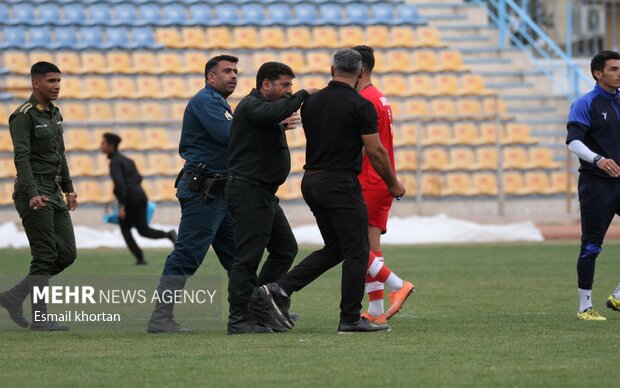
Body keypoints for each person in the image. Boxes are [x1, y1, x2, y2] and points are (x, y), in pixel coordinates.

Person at [258, 49, 406, 334]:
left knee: (337, 248)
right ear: (361, 73)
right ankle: (350, 318)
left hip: (312, 181)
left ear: (331, 70)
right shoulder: (360, 105)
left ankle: (279, 289)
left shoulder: (312, 102)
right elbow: (374, 150)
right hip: (340, 183)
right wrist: (393, 183)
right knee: (357, 251)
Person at [147, 55, 239, 333]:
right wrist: (270, 123)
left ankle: (253, 311)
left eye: (236, 71)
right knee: (188, 253)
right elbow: (230, 135)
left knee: (238, 257)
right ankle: (161, 317)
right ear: (211, 77)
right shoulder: (206, 101)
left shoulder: (219, 103)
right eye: (227, 71)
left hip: (219, 191)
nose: (234, 75)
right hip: (205, 192)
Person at [225, 62, 317, 334]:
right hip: (248, 190)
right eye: (284, 85)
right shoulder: (250, 105)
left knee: (285, 248)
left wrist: (280, 123)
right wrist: (303, 94)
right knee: (247, 257)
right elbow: (272, 111)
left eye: (291, 85)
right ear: (266, 84)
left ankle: (260, 305)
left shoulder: (265, 112)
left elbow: (271, 117)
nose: (289, 91)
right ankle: (238, 320)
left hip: (263, 192)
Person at [0, 62, 77, 331]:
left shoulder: (55, 114)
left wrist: (69, 189)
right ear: (36, 83)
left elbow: (61, 154)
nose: (57, 86)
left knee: (67, 254)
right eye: (51, 81)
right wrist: (32, 193)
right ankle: (40, 318)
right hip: (33, 191)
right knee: (44, 255)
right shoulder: (22, 116)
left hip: (54, 192)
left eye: (59, 81)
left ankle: (14, 296)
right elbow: (21, 157)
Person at [352, 45, 415, 325]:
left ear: (359, 70)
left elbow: (366, 147)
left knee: (349, 243)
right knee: (370, 246)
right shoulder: (379, 97)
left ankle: (397, 284)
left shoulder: (365, 100)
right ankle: (376, 311)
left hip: (369, 179)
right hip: (382, 180)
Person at [567, 50, 620, 321]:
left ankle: (618, 297)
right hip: (596, 184)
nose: (619, 73)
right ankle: (584, 307)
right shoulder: (585, 103)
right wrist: (597, 159)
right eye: (613, 69)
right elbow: (573, 141)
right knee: (591, 246)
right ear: (598, 73)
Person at [99, 132, 177, 265]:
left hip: (129, 199)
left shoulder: (114, 162)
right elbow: (139, 178)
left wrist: (122, 205)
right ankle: (169, 234)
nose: (101, 146)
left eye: (103, 143)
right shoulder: (128, 160)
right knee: (143, 230)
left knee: (125, 229)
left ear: (111, 145)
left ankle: (140, 258)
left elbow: (119, 183)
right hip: (141, 196)